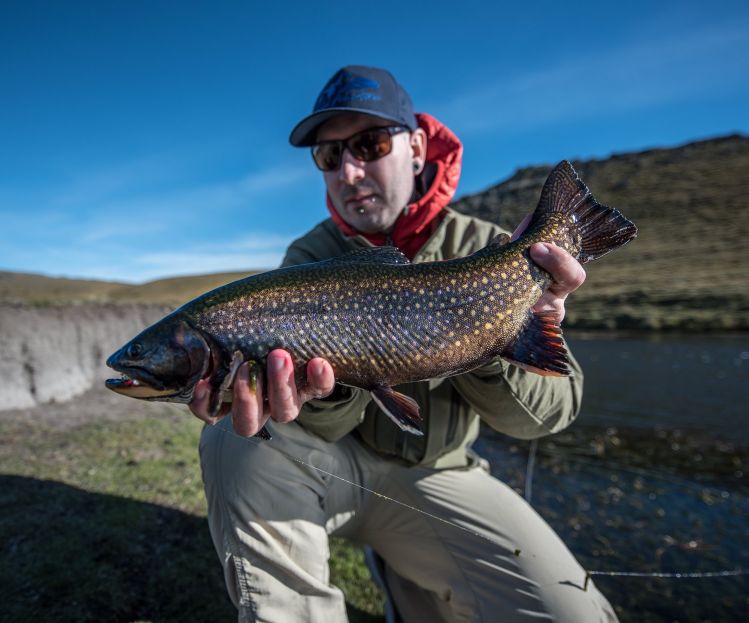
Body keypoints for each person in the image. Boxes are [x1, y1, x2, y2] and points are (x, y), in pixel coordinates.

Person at [193, 66, 618, 622]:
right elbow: (313, 428)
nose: (348, 170)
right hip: (334, 467)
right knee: (234, 436)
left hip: (444, 475)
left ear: (416, 147)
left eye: (369, 144)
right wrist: (327, 386)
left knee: (574, 615)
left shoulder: (495, 252)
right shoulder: (307, 262)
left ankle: (406, 573)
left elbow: (548, 419)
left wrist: (494, 337)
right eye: (328, 155)